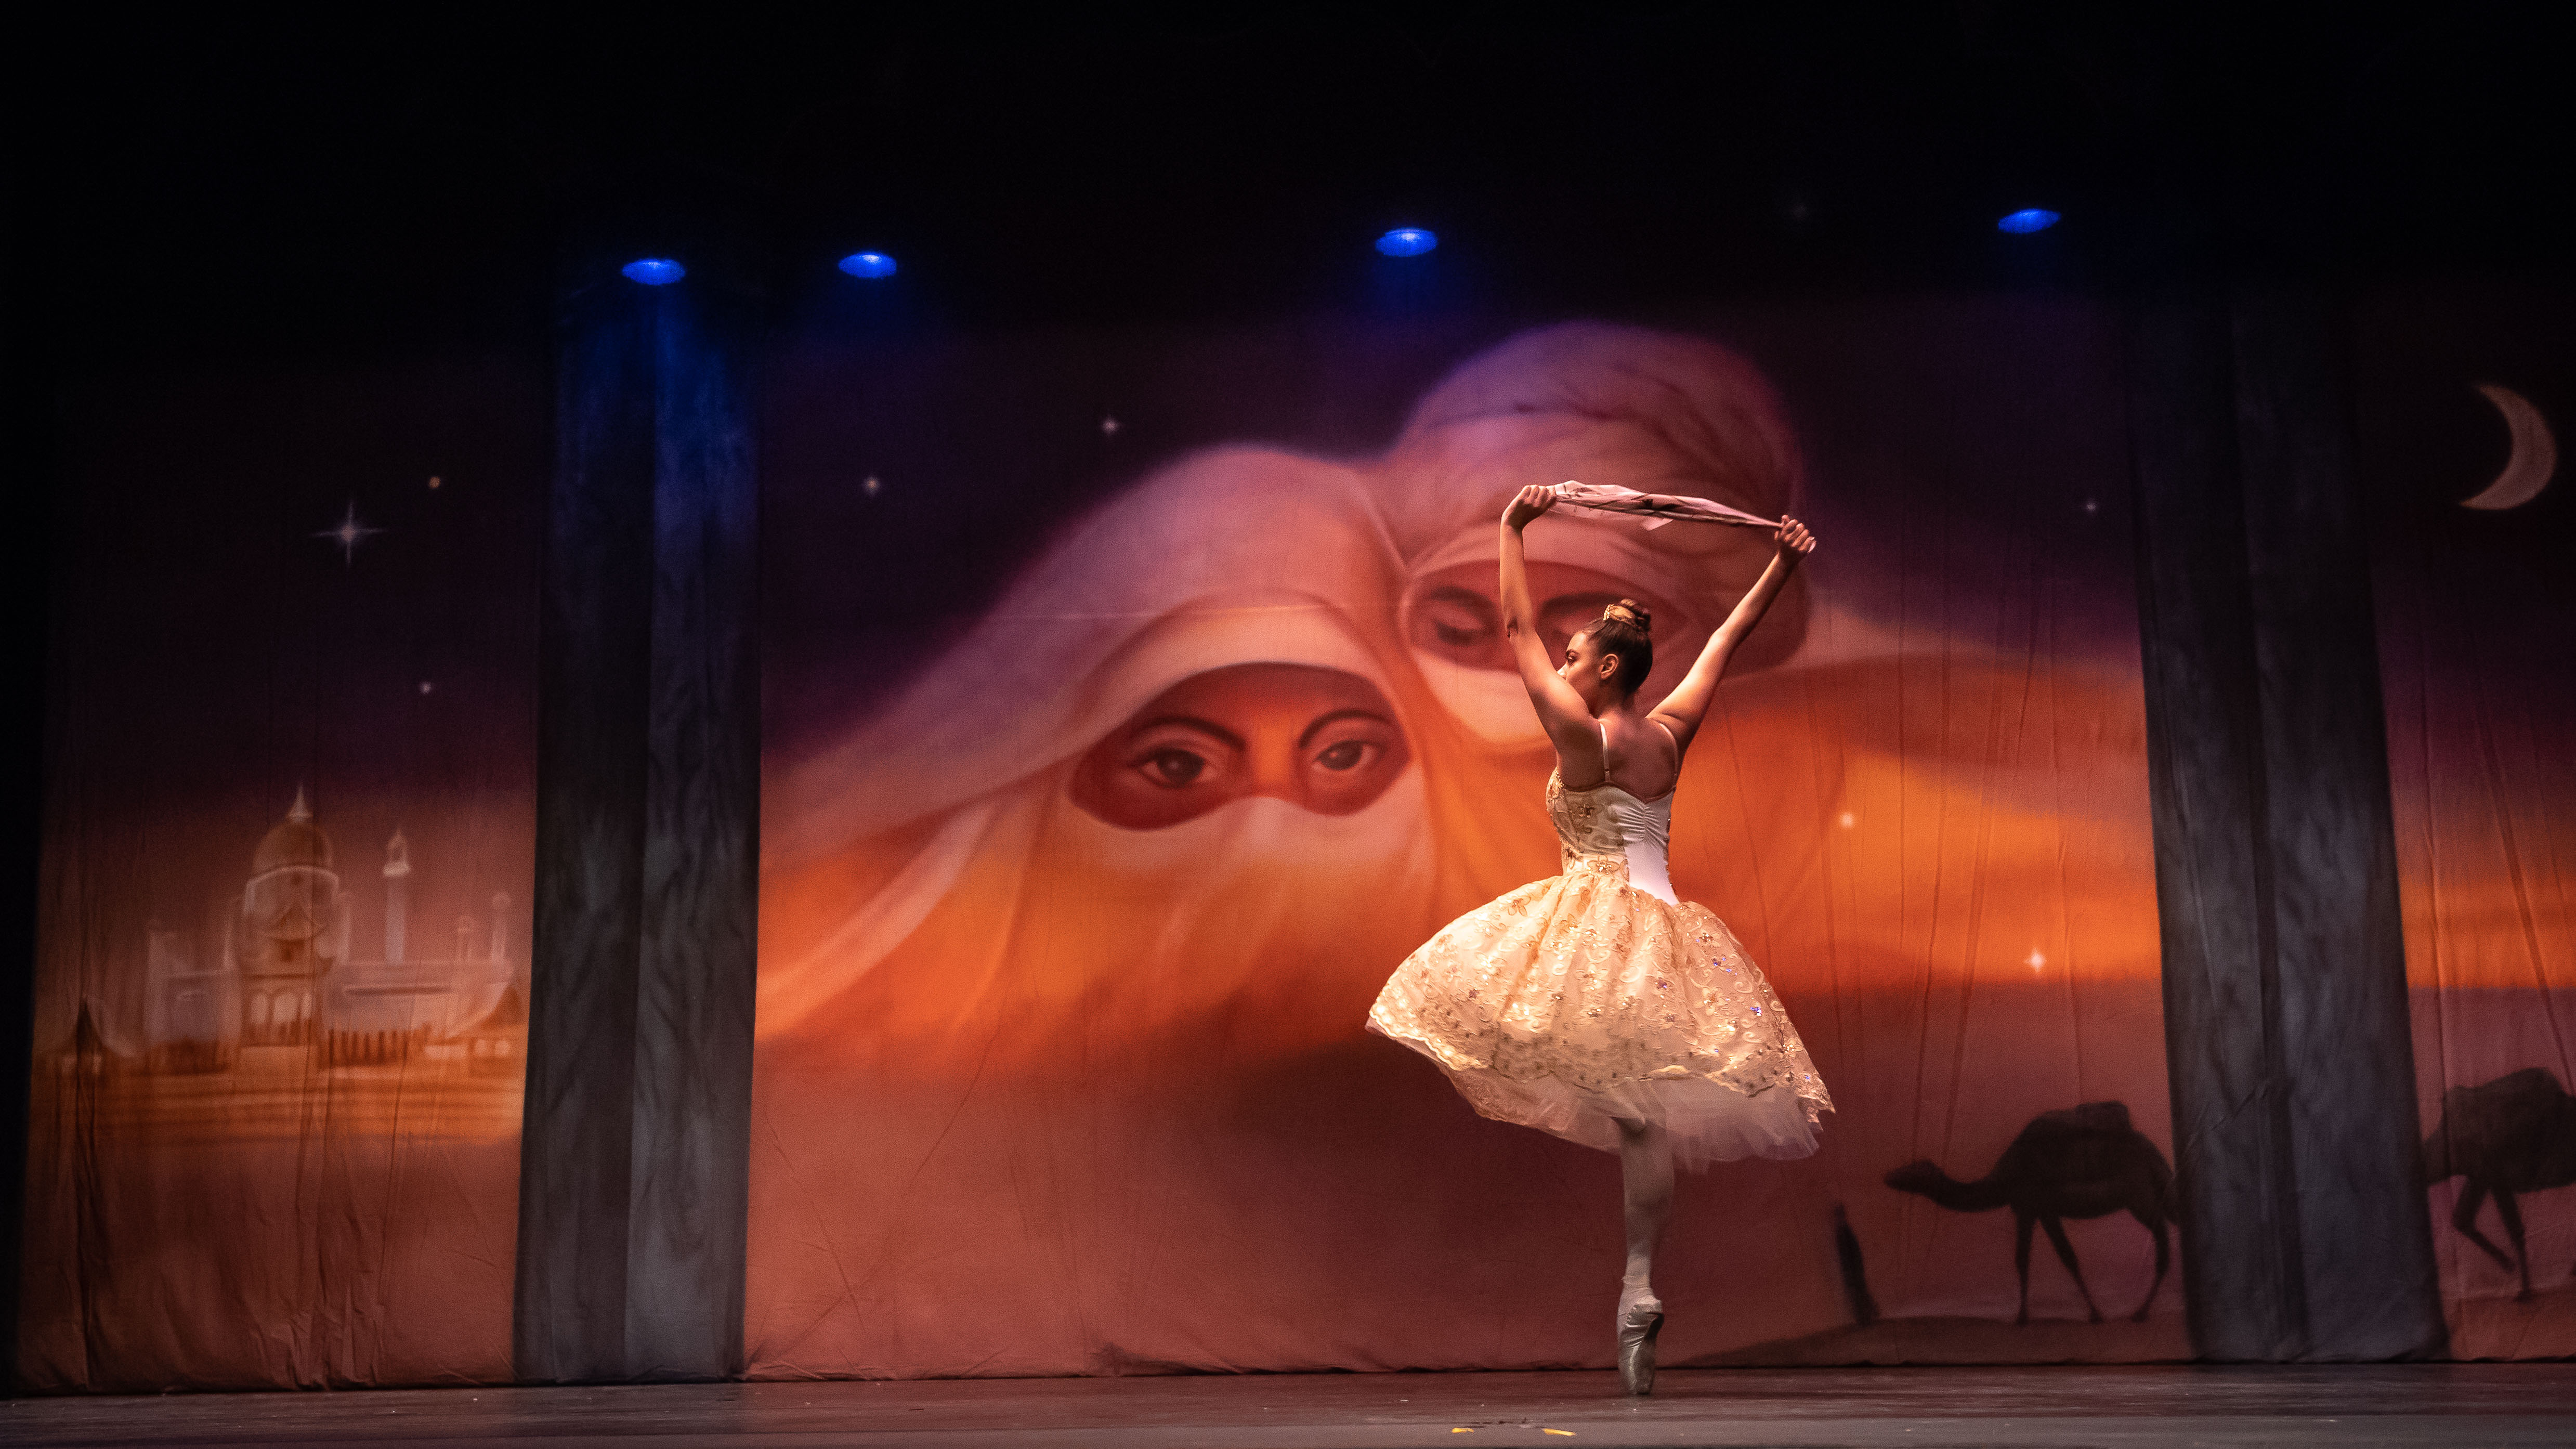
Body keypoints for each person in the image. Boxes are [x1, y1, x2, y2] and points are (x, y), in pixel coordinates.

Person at [1367, 481, 1834, 1396]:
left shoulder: (1584, 739)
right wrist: (1781, 564)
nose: (1564, 662)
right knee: (1641, 1118)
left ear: (1607, 668)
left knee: (1582, 1069)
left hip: (1598, 922)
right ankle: (1638, 1284)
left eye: (1576, 654)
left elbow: (1514, 629)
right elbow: (1727, 640)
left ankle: (1635, 1292)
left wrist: (1512, 528)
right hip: (1668, 933)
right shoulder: (1670, 733)